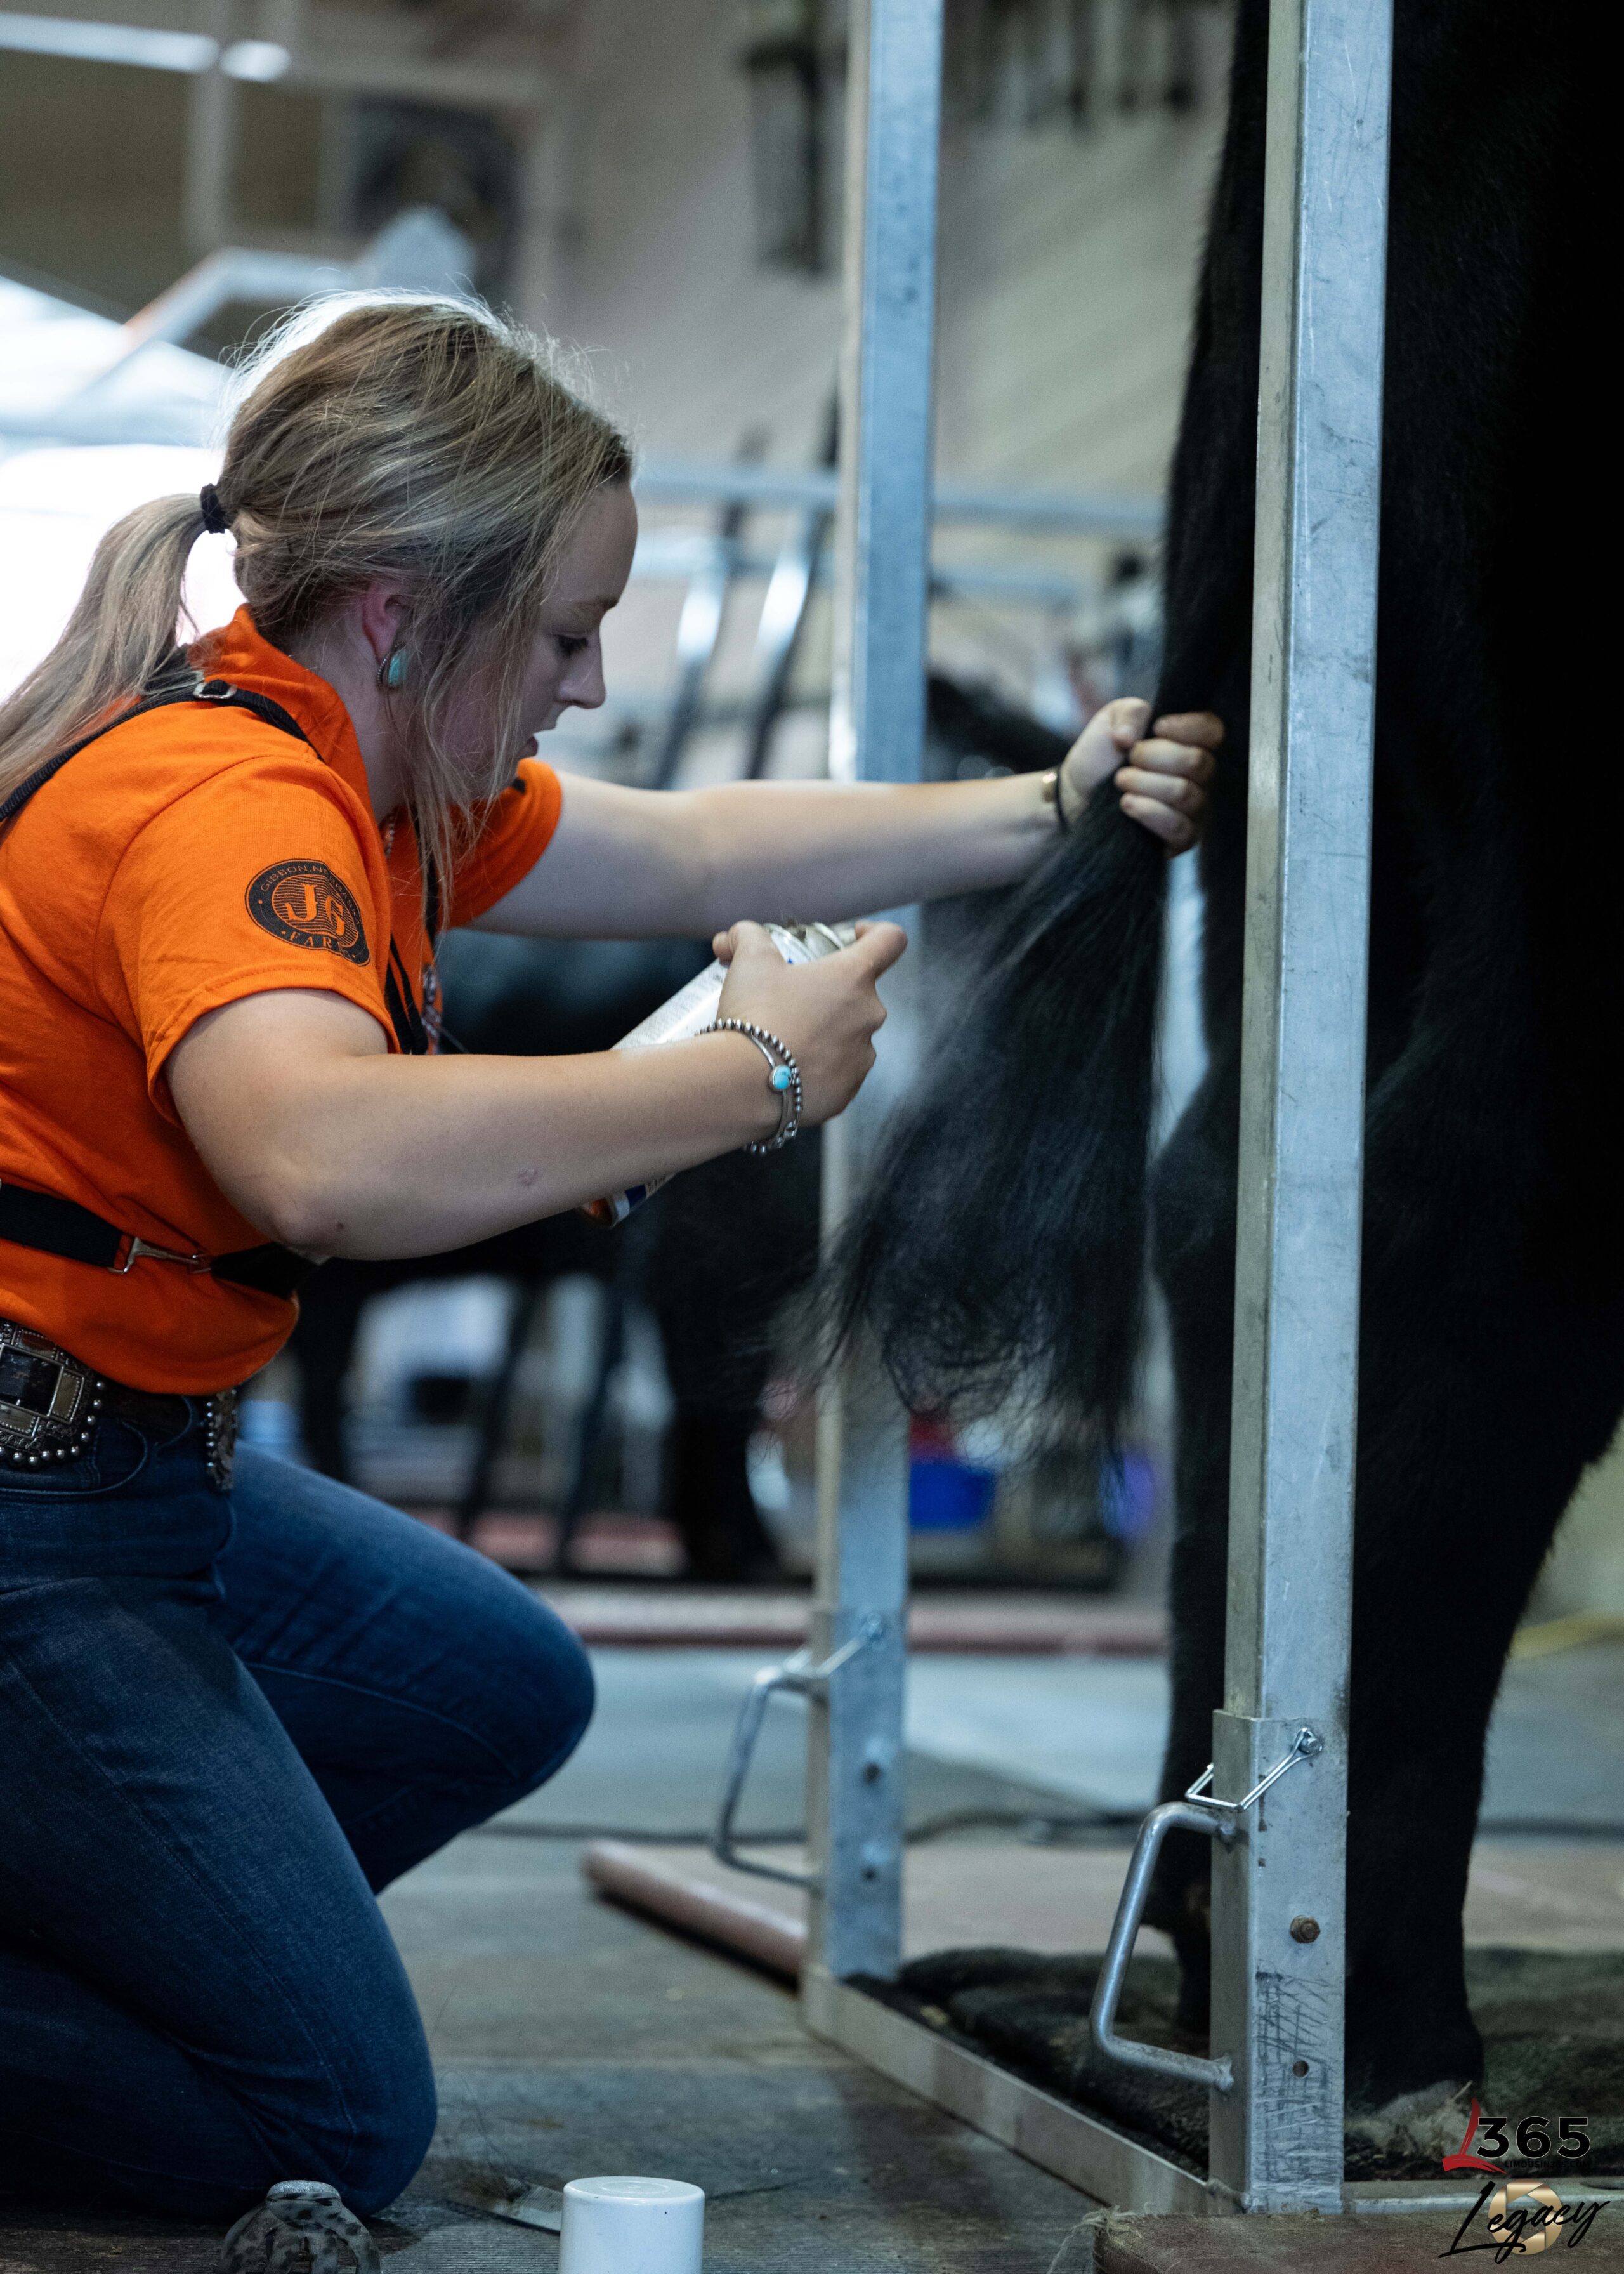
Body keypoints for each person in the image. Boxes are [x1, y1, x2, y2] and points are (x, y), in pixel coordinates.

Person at [0, 295, 1220, 2219]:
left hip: (141, 1466)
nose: (582, 683)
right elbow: (317, 1158)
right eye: (565, 635)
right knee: (321, 2132)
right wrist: (746, 1080)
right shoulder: (229, 800)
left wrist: (1044, 806)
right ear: (409, 614)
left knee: (485, 1685)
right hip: (36, 1519)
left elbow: (702, 850)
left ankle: (110, 1951)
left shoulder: (365, 771)